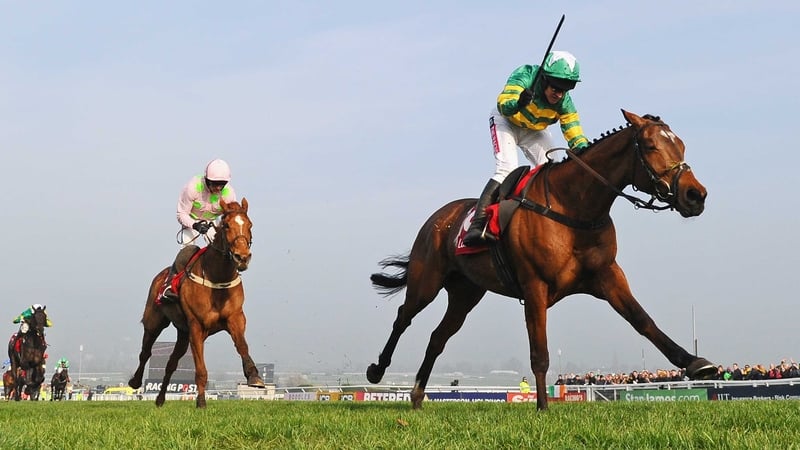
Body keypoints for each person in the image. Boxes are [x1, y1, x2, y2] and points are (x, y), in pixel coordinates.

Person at [463, 50, 590, 246]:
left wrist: (584, 150)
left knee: (555, 168)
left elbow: (573, 131)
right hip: (506, 121)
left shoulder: (565, 102)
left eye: (565, 89)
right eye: (555, 87)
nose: (559, 94)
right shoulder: (525, 74)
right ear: (545, 79)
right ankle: (477, 225)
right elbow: (504, 105)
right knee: (507, 168)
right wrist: (519, 101)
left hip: (533, 129)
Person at [159, 159, 237, 302]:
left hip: (213, 223)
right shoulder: (193, 187)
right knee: (186, 251)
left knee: (224, 250)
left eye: (222, 184)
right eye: (214, 183)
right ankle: (169, 285)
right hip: (191, 221)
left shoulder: (229, 194)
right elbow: (181, 214)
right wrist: (195, 225)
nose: (218, 188)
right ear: (207, 179)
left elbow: (230, 219)